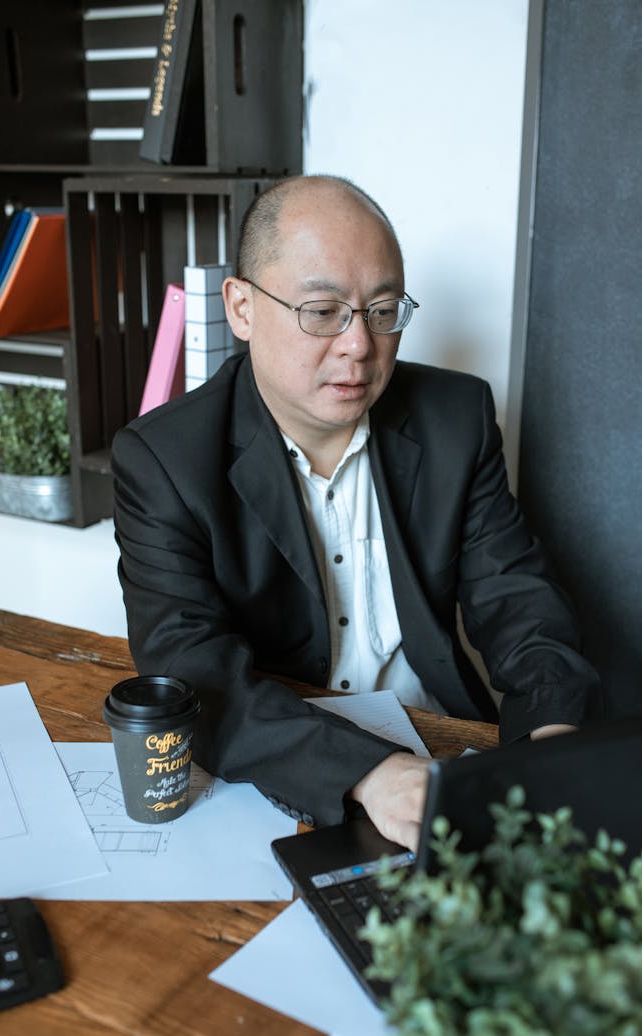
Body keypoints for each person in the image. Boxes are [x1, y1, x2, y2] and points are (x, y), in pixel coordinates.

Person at [111, 174, 601, 852]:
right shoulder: (162, 459)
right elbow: (195, 672)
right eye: (321, 311)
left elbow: (520, 603)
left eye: (382, 310)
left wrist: (551, 740)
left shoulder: (456, 419)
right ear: (242, 307)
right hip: (283, 770)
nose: (360, 346)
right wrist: (367, 771)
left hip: (438, 754)